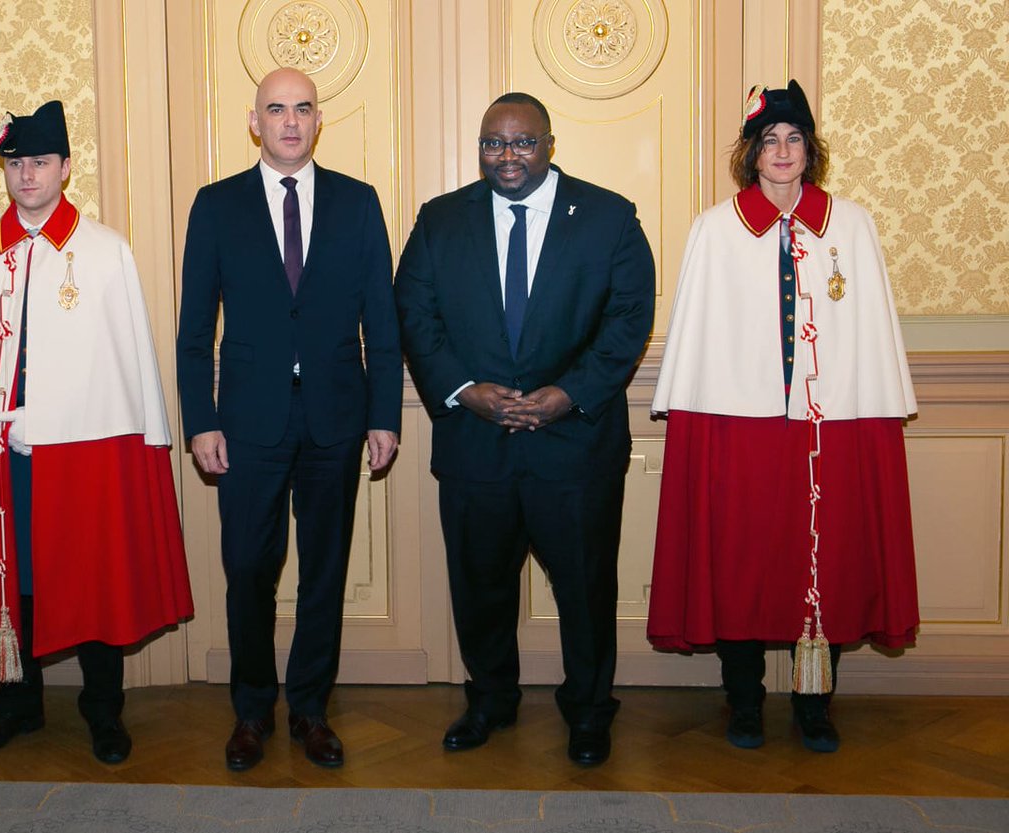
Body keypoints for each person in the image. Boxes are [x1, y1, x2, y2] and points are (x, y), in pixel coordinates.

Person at [0, 100, 194, 765]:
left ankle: (103, 711)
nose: (27, 175)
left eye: (40, 162)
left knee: (93, 573)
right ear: (4, 170)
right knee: (13, 577)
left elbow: (125, 363)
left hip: (86, 450)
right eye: (15, 162)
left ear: (66, 168)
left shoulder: (103, 250)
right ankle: (17, 706)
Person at [647, 80, 919, 753]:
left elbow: (870, 330)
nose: (783, 151)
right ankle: (743, 700)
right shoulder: (715, 228)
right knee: (740, 559)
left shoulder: (850, 224)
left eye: (794, 138)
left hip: (833, 423)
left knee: (825, 566)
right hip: (739, 423)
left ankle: (814, 704)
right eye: (769, 140)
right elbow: (698, 331)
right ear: (750, 152)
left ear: (811, 149)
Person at [395, 92, 655, 766]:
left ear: (549, 144)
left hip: (576, 446)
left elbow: (629, 318)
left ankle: (590, 709)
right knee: (480, 584)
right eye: (493, 143)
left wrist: (569, 394)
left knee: (586, 589)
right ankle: (489, 699)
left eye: (522, 142)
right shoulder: (440, 220)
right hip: (476, 444)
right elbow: (415, 316)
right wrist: (463, 391)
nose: (507, 156)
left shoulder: (607, 217)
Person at [176, 68, 402, 771]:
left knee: (325, 571)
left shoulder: (358, 203)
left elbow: (383, 324)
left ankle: (309, 707)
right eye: (276, 109)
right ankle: (251, 710)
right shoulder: (216, 206)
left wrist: (384, 415)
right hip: (246, 421)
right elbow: (193, 331)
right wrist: (200, 420)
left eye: (302, 108)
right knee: (248, 568)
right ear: (255, 121)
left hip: (337, 416)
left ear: (318, 118)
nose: (290, 121)